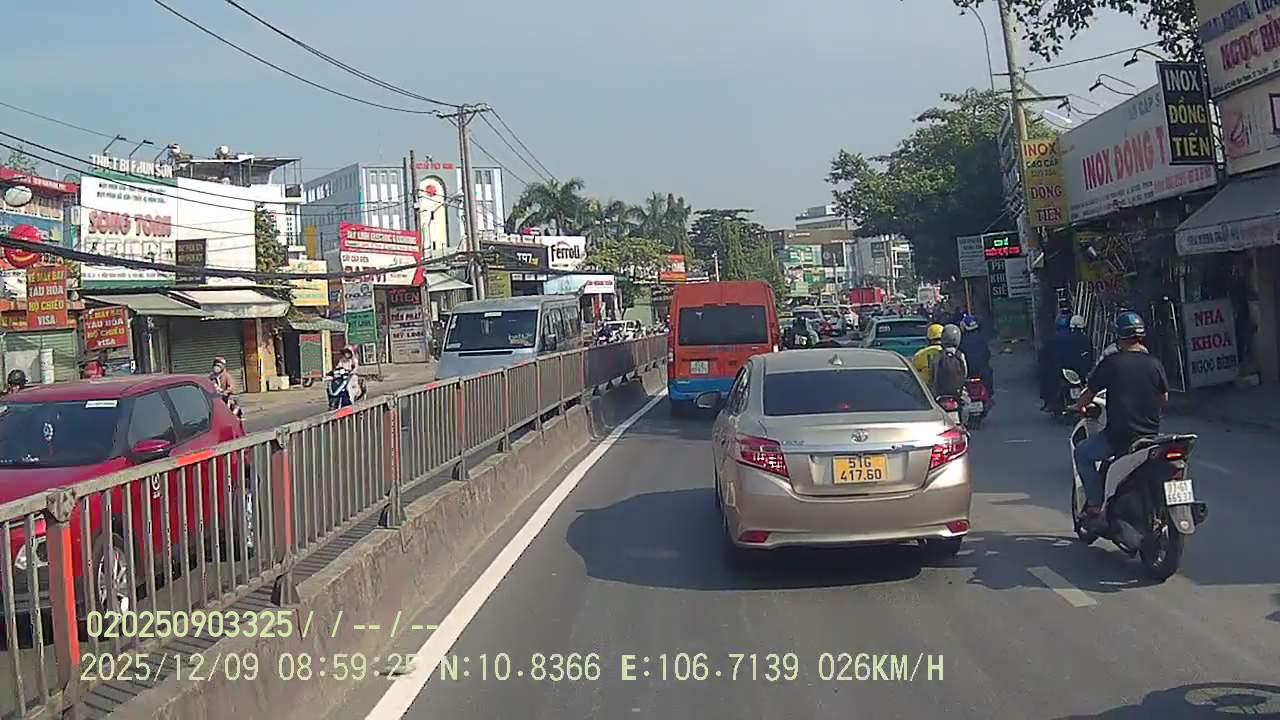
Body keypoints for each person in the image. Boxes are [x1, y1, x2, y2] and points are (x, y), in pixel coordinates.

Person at [1069, 312, 1169, 532]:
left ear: (1119, 336)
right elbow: (1164, 399)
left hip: (1119, 437)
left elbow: (1089, 394)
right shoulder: (1154, 364)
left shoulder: (1111, 363)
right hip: (1150, 436)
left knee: (1082, 454)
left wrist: (1078, 406)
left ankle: (1095, 505)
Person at [1046, 315, 1094, 412]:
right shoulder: (1086, 339)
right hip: (1081, 374)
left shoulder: (1063, 339)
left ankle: (1053, 405)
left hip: (1068, 372)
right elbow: (1089, 357)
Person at [958, 314, 993, 400]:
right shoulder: (982, 338)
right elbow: (987, 355)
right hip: (982, 373)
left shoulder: (961, 340)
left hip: (967, 374)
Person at [929, 324, 969, 400]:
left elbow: (933, 376)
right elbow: (965, 373)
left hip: (940, 393)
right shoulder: (960, 355)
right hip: (957, 393)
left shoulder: (937, 356)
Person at [912, 323, 946, 389]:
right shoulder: (950, 353)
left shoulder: (920, 354)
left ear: (928, 339)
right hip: (946, 388)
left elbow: (913, 371)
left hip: (926, 389)